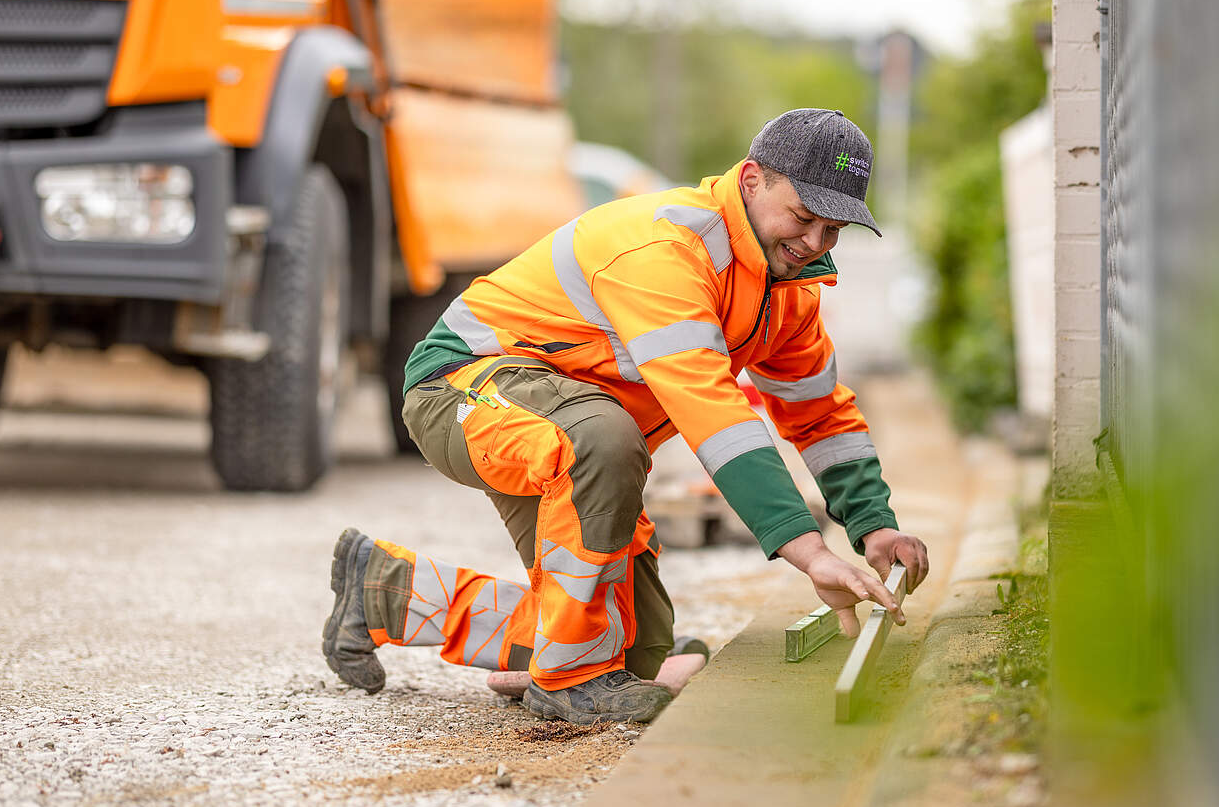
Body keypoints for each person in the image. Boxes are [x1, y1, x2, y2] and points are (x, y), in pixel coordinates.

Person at [321, 109, 930, 724]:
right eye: (804, 217)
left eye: (836, 229)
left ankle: (387, 592)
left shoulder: (787, 289)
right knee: (603, 443)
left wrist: (874, 527)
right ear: (751, 180)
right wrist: (810, 553)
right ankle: (566, 681)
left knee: (634, 649)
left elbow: (820, 415)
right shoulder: (666, 250)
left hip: (570, 424)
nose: (815, 244)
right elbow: (714, 413)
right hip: (463, 391)